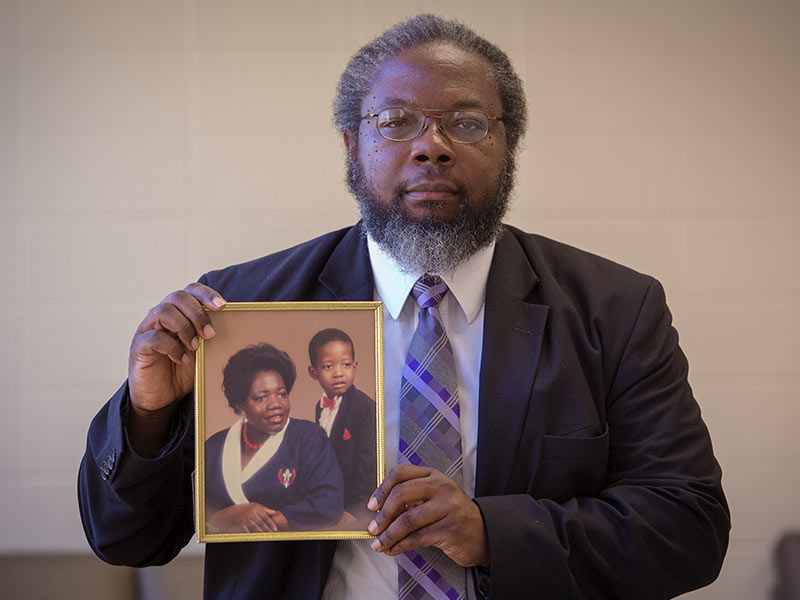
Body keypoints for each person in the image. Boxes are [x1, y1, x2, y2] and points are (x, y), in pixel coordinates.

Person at [78, 14, 730, 600]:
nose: (432, 146)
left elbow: (688, 529)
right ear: (350, 146)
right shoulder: (245, 309)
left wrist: (490, 531)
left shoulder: (614, 310)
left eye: (467, 123)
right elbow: (129, 542)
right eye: (396, 122)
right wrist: (148, 416)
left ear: (510, 147)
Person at [204, 343, 344, 533]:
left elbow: (329, 504)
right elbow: (200, 516)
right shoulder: (213, 448)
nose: (276, 404)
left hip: (295, 557)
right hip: (232, 560)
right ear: (240, 405)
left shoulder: (308, 437)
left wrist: (258, 522)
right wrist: (234, 515)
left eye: (282, 394)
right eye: (261, 398)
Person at [308, 328, 377, 528]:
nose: (339, 373)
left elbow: (368, 463)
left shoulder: (364, 407)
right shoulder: (319, 407)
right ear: (314, 372)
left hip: (355, 503)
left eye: (345, 365)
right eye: (328, 367)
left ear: (355, 367)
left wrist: (357, 509)